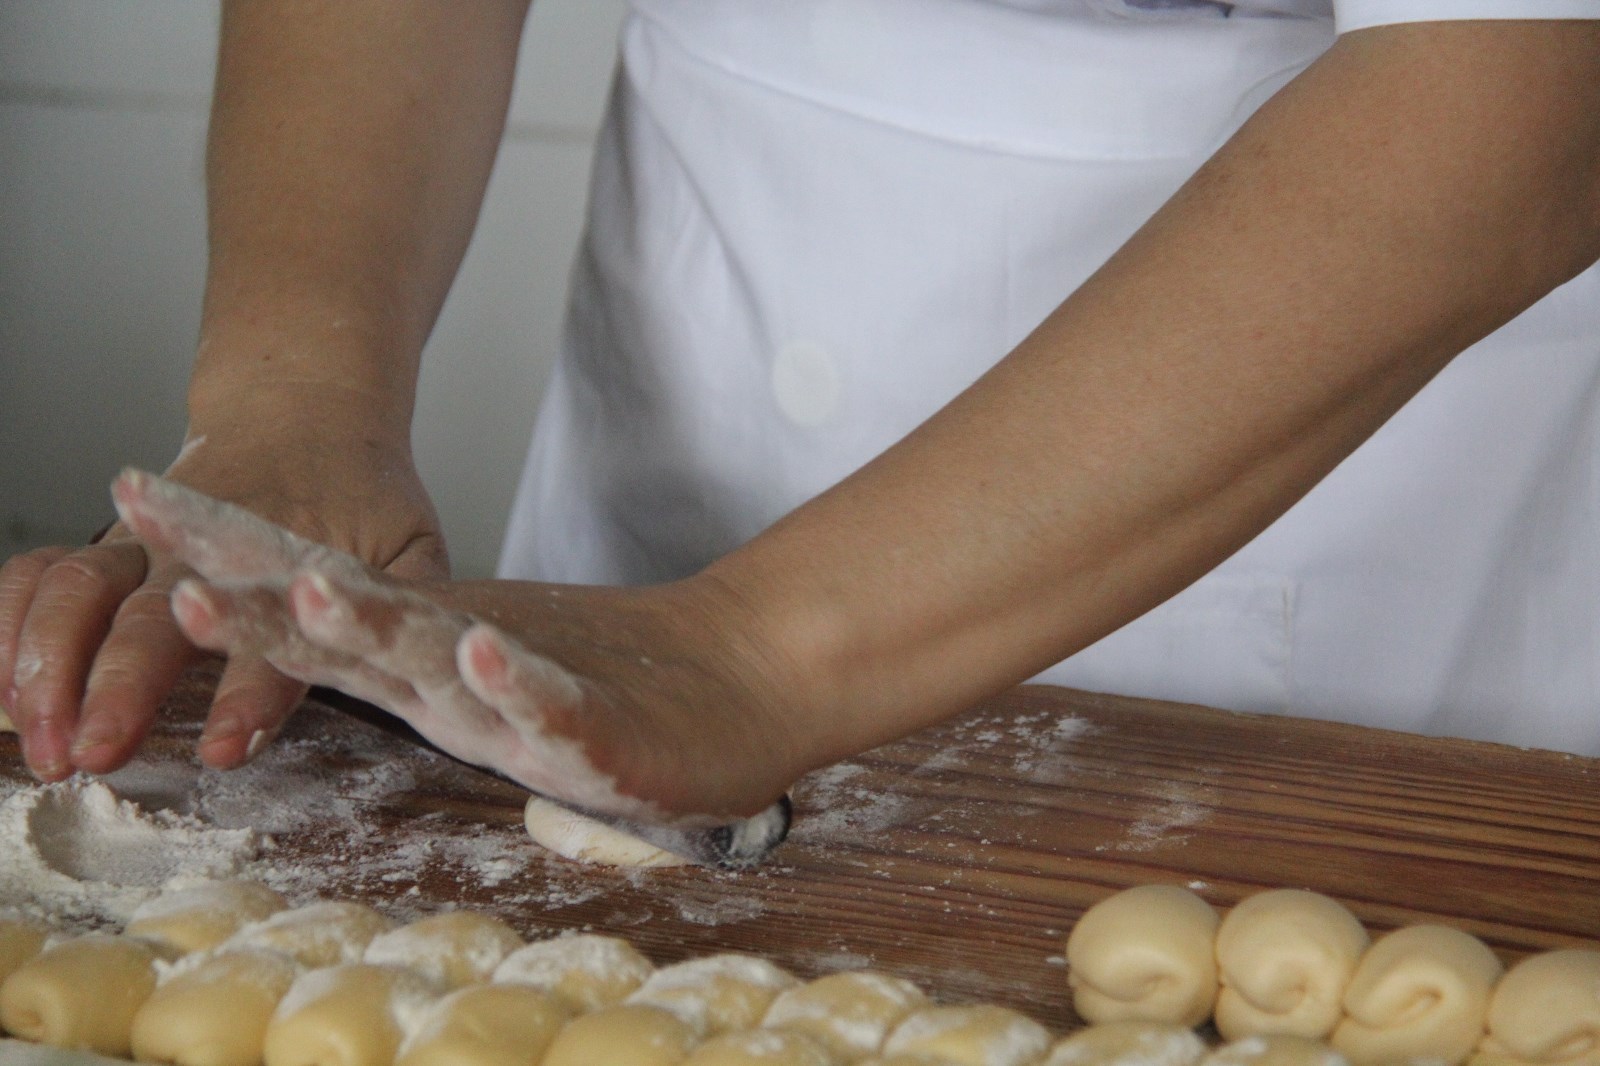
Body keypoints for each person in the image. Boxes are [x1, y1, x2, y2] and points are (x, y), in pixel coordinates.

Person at [2, 1, 1597, 829]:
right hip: (695, 358)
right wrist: (297, 396)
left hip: (1367, 477)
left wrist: (754, 650)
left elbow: (1520, 88)